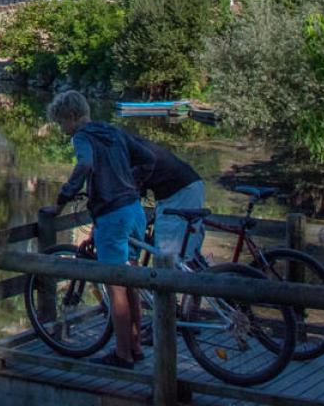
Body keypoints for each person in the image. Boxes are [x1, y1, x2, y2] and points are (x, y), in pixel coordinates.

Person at [43, 90, 204, 370]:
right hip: (134, 211)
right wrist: (131, 183)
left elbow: (85, 164)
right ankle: (135, 346)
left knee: (115, 286)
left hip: (113, 214)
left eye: (61, 122)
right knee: (132, 281)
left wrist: (60, 202)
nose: (62, 128)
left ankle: (122, 353)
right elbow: (147, 158)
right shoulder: (113, 131)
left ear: (71, 117)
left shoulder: (82, 137)